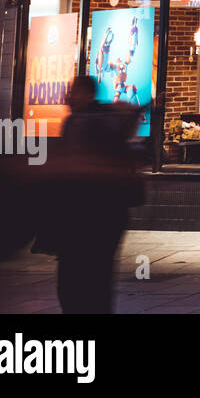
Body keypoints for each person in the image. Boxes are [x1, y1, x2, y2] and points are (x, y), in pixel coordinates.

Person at [48, 75, 143, 313]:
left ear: (88, 94)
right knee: (94, 278)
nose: (68, 96)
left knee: (78, 281)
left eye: (74, 91)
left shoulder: (84, 122)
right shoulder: (89, 120)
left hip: (89, 212)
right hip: (102, 213)